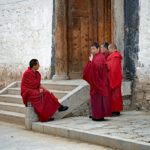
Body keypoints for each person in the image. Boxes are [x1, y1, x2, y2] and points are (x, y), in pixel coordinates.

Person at [83, 42, 112, 121]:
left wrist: (91, 62)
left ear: (98, 49)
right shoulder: (96, 56)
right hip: (97, 83)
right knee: (95, 100)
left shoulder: (99, 57)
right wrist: (91, 61)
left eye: (94, 49)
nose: (92, 51)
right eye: (91, 49)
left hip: (99, 82)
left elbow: (97, 69)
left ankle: (98, 116)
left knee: (98, 100)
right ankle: (96, 115)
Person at [107, 44, 123, 116]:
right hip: (114, 78)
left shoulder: (115, 57)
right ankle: (114, 110)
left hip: (114, 78)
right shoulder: (113, 56)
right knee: (115, 96)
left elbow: (114, 69)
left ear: (113, 48)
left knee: (115, 96)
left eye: (109, 49)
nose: (108, 50)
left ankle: (115, 110)